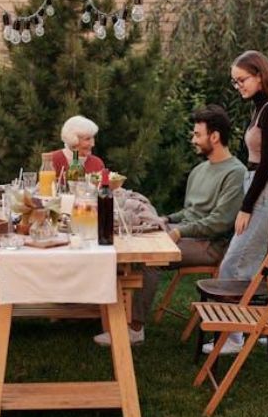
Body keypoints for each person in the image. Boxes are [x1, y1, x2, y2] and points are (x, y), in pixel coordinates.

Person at [94, 105, 246, 346]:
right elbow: (191, 211)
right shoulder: (199, 170)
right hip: (188, 235)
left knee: (149, 258)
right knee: (127, 242)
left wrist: (178, 231)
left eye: (198, 134)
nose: (193, 139)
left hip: (210, 244)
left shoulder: (236, 173)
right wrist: (165, 220)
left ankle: (134, 329)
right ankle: (106, 314)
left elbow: (220, 222)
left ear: (214, 137)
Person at [202, 51, 268, 356]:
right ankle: (254, 328)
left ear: (260, 75)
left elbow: (267, 164)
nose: (238, 85)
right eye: (235, 81)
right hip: (259, 184)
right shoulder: (259, 109)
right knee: (250, 260)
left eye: (242, 79)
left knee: (234, 261)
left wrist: (246, 206)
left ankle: (233, 335)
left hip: (266, 188)